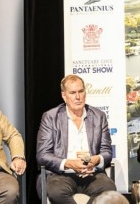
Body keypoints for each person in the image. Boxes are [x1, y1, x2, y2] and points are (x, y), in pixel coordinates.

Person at [36, 75, 117, 203]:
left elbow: (107, 152)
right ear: (64, 95)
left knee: (109, 189)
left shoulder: (99, 116)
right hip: (61, 175)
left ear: (85, 93)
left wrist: (95, 160)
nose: (78, 97)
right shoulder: (51, 117)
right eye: (73, 93)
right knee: (56, 192)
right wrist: (70, 163)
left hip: (92, 174)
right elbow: (43, 155)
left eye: (81, 91)